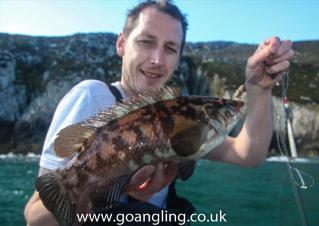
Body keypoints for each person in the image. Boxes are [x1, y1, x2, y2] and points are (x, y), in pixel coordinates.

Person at [24, 0, 294, 225]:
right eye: (146, 42)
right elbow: (35, 218)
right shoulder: (92, 97)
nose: (157, 59)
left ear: (179, 57)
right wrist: (115, 189)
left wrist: (258, 89)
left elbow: (248, 154)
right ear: (122, 44)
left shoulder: (180, 117)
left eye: (170, 48)